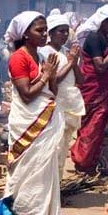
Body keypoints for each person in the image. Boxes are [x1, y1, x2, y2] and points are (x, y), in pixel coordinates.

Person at [4, 11, 63, 215]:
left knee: (43, 171)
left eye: (45, 29)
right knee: (28, 172)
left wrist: (52, 75)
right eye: (39, 30)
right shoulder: (19, 57)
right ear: (25, 34)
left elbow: (53, 92)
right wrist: (46, 76)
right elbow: (27, 94)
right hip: (28, 123)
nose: (44, 34)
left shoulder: (39, 57)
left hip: (44, 120)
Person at [70, 4, 108, 174]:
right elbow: (100, 67)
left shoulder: (104, 39)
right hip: (93, 89)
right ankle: (82, 162)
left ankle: (89, 162)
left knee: (97, 130)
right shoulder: (94, 38)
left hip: (102, 89)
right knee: (90, 129)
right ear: (103, 21)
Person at [38, 13, 85, 180]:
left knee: (62, 147)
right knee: (53, 148)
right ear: (51, 33)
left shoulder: (66, 53)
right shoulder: (44, 52)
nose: (64, 35)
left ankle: (56, 188)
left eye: (67, 31)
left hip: (68, 106)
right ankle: (49, 188)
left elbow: (81, 79)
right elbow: (53, 80)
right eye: (60, 31)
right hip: (54, 106)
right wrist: (71, 62)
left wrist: (74, 62)